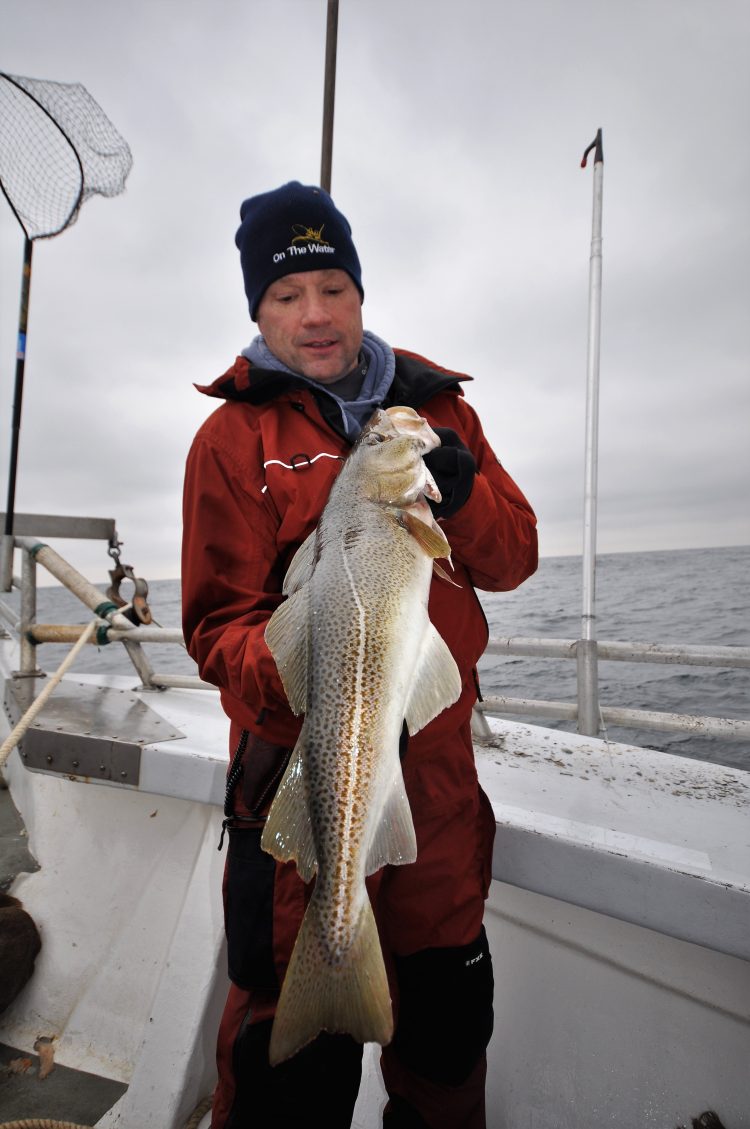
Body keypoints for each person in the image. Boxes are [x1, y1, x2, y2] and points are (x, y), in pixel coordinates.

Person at [181, 181, 538, 1129]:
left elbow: (514, 558)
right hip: (302, 778)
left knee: (448, 1044)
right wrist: (313, 659)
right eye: (288, 295)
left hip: (439, 799)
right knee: (286, 1084)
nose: (315, 315)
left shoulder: (440, 412)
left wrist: (460, 499)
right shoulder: (231, 438)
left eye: (333, 287)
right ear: (258, 309)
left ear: (361, 295)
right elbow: (216, 628)